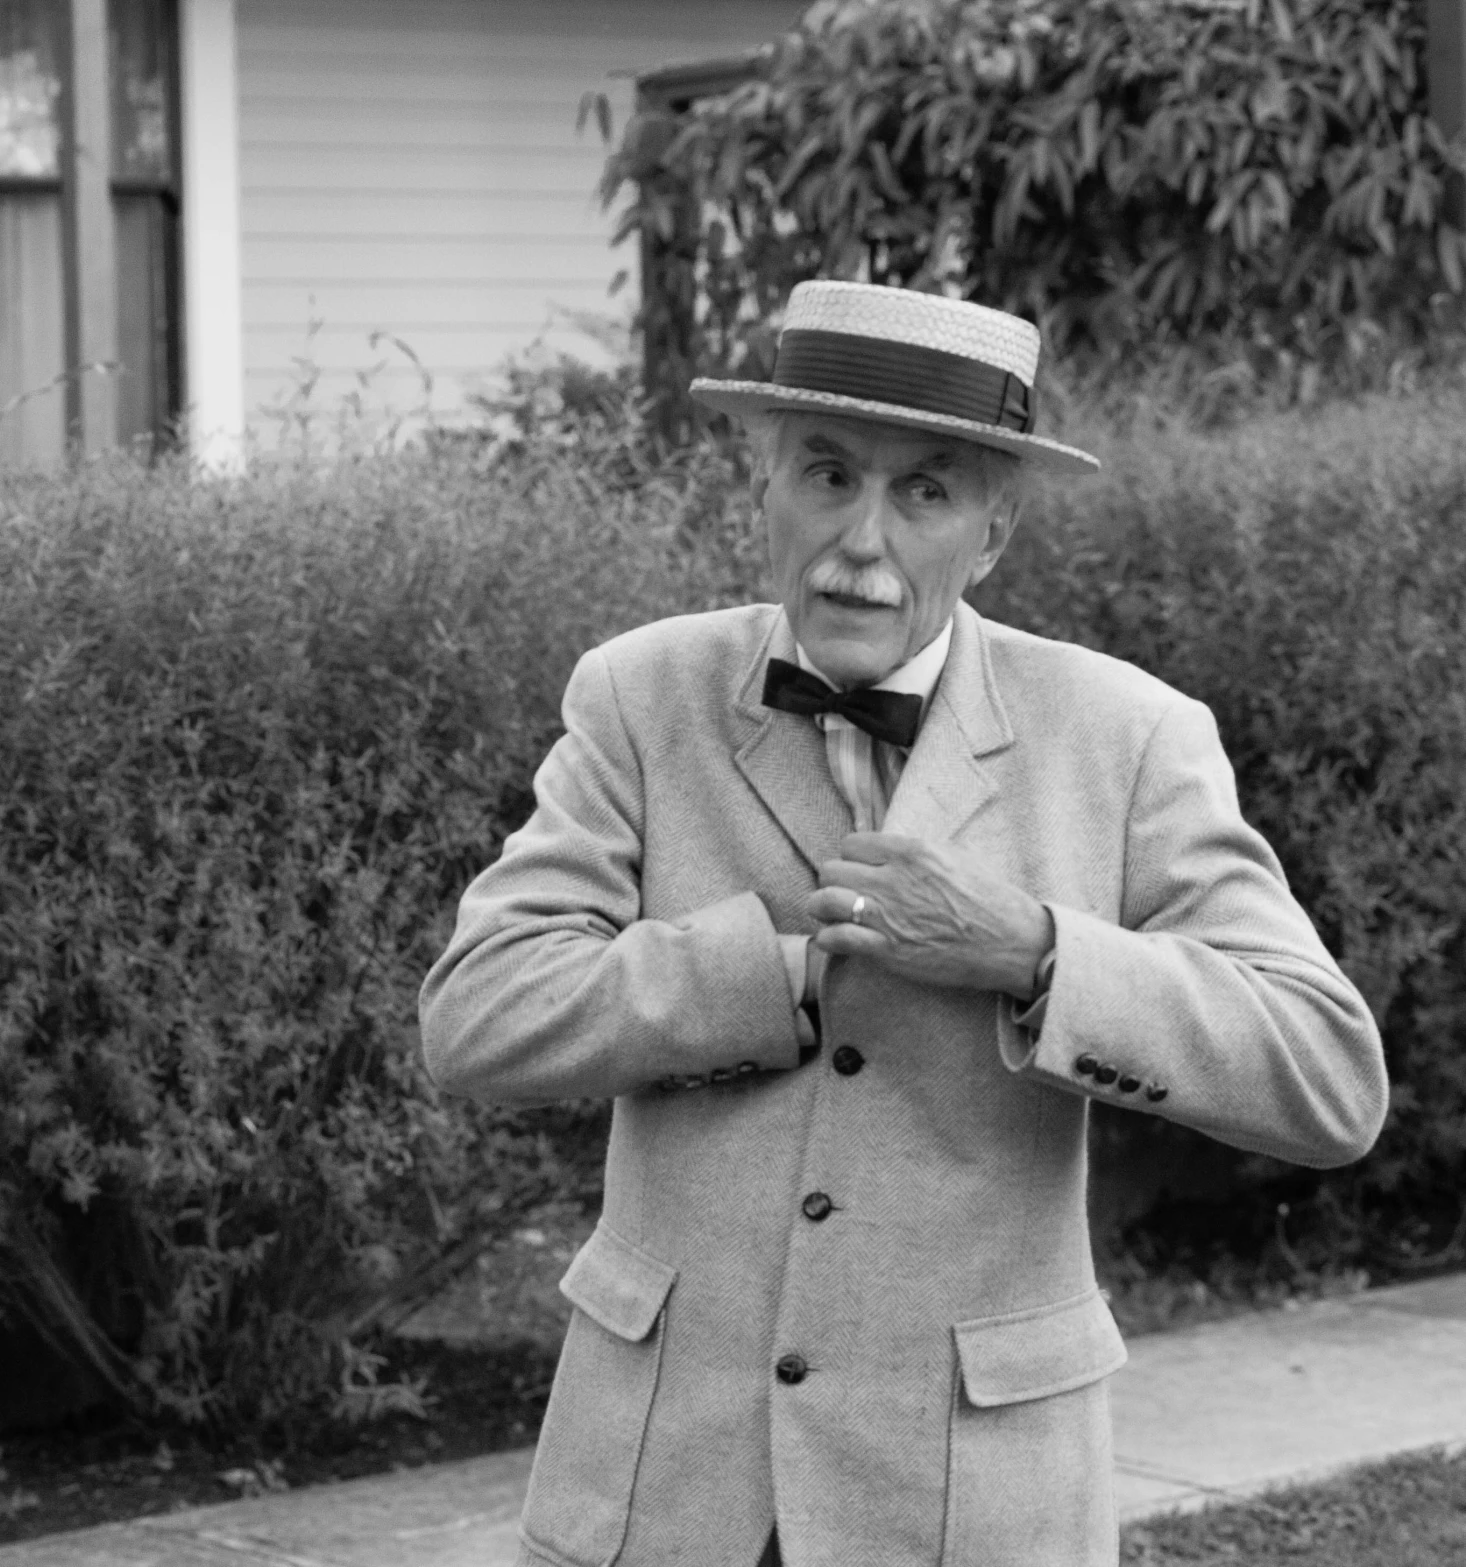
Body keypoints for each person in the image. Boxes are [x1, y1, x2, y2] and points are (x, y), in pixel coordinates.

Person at [419, 280, 1388, 1567]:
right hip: (658, 1493)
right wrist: (770, 977)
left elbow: (1327, 1077)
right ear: (761, 485)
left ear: (992, 531)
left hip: (970, 1505)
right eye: (826, 474)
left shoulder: (1128, 736)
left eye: (924, 492)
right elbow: (478, 1014)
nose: (859, 544)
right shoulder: (638, 695)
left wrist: (1038, 954)